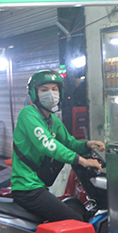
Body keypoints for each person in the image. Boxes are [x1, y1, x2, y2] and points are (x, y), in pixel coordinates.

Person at [10, 70, 104, 222]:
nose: (51, 93)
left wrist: (87, 145)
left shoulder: (52, 120)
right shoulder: (28, 114)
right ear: (34, 94)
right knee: (74, 220)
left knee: (79, 212)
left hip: (38, 186)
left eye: (54, 89)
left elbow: (69, 143)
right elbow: (47, 144)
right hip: (27, 188)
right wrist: (82, 160)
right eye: (44, 90)